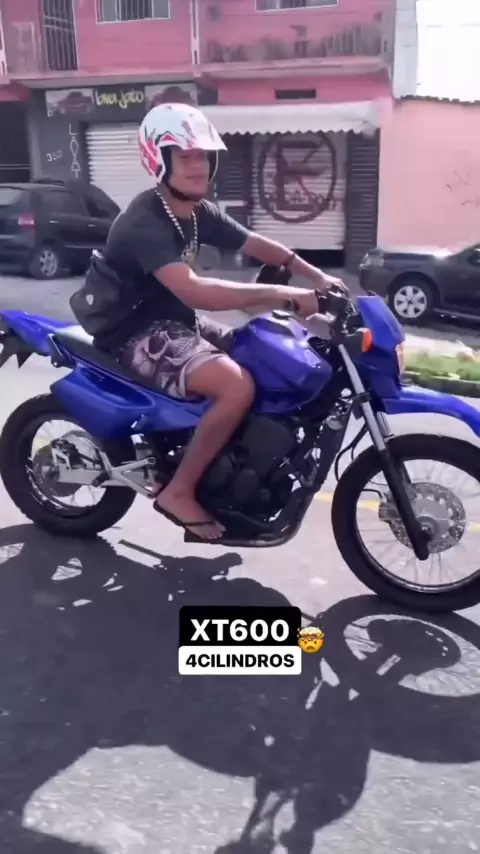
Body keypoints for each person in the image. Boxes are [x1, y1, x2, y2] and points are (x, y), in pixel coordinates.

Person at [77, 102, 349, 541]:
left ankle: (237, 462)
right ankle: (179, 491)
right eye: (186, 156)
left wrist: (317, 276)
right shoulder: (144, 221)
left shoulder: (196, 211)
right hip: (133, 332)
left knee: (265, 352)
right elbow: (196, 291)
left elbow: (254, 243)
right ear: (159, 159)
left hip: (174, 320)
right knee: (234, 385)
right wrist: (283, 293)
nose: (199, 165)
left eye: (204, 155)